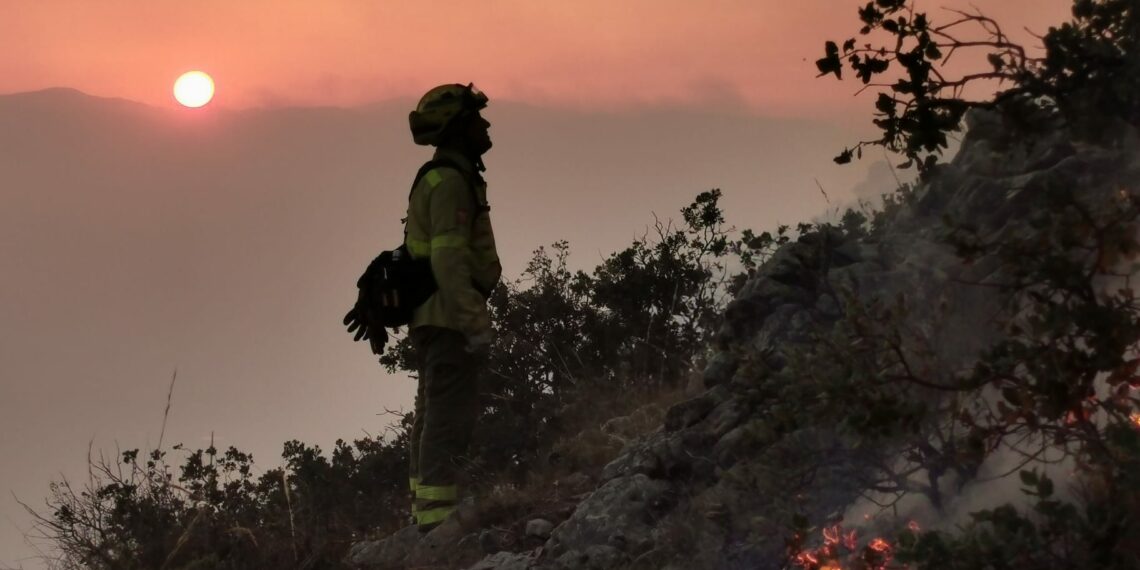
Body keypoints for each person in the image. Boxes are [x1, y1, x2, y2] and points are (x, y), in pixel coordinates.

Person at [403, 83, 502, 532]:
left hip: (432, 318)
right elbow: (449, 259)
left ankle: (424, 511)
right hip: (447, 321)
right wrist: (474, 324)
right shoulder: (450, 181)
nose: (485, 125)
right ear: (458, 126)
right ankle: (437, 521)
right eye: (476, 118)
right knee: (446, 419)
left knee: (431, 415)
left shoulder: (445, 175)